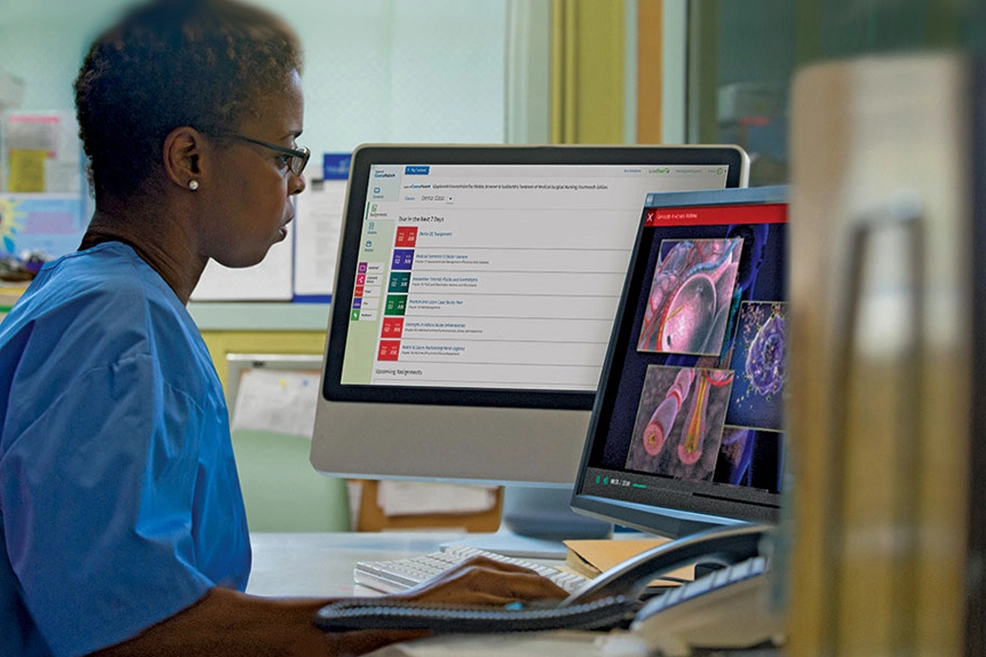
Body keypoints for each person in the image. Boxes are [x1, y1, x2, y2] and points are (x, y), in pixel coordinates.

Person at [0, 1, 566, 655]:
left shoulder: (93, 296)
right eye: (281, 155)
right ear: (190, 158)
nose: (297, 182)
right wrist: (397, 613)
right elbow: (132, 635)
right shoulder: (120, 329)